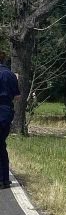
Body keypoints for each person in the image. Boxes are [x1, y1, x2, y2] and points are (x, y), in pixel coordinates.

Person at [0, 52, 20, 189]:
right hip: (5, 110)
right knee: (1, 143)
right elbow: (17, 97)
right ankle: (4, 179)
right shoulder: (9, 74)